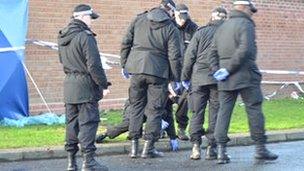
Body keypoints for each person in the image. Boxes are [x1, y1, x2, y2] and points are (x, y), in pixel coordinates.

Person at [209, 0, 278, 164]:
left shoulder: (221, 27)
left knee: (223, 112)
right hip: (246, 75)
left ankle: (220, 151)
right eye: (250, 10)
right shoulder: (246, 24)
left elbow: (212, 53)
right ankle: (260, 148)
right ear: (244, 8)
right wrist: (229, 69)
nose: (251, 13)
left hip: (225, 79)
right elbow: (246, 50)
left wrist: (218, 70)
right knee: (254, 110)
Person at [120, 0, 182, 158]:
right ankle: (148, 148)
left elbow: (126, 42)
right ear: (170, 11)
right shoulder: (171, 27)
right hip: (158, 72)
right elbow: (174, 56)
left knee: (136, 107)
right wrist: (175, 78)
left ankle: (134, 148)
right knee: (155, 110)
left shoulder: (139, 19)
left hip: (136, 69)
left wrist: (124, 65)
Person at [58, 4, 109, 171]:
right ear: (82, 17)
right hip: (85, 85)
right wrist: (103, 84)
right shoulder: (86, 37)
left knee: (71, 124)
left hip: (69, 84)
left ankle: (71, 162)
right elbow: (94, 65)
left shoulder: (62, 36)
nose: (91, 21)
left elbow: (62, 61)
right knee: (88, 122)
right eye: (90, 18)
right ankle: (89, 162)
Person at [181, 6, 227, 160]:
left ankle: (195, 147)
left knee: (196, 112)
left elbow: (189, 56)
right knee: (215, 114)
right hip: (217, 78)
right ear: (225, 18)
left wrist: (185, 77)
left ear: (212, 17)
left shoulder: (200, 32)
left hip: (198, 78)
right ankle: (211, 148)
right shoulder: (227, 33)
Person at [172, 3, 198, 141]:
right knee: (164, 99)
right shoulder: (168, 26)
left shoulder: (193, 28)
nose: (182, 20)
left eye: (185, 17)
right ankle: (163, 127)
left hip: (187, 70)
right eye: (180, 16)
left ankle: (181, 127)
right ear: (174, 14)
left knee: (185, 99)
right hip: (170, 69)